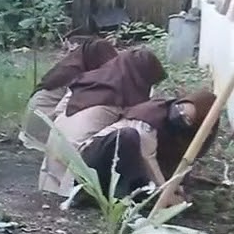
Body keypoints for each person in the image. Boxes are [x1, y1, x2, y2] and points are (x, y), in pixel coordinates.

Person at [39, 47, 166, 197]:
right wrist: (164, 188)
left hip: (52, 165)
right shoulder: (124, 98)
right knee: (127, 137)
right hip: (76, 173)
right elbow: (143, 143)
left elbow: (58, 111)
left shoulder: (87, 80)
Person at [77, 90, 216, 207]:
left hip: (130, 166)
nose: (179, 115)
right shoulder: (151, 116)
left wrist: (176, 188)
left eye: (187, 119)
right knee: (128, 137)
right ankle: (119, 201)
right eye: (180, 108)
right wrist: (166, 193)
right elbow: (148, 158)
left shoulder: (184, 135)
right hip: (95, 162)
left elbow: (178, 163)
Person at [18, 38, 119, 150]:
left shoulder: (69, 66)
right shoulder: (75, 76)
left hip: (31, 124)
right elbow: (62, 109)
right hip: (42, 129)